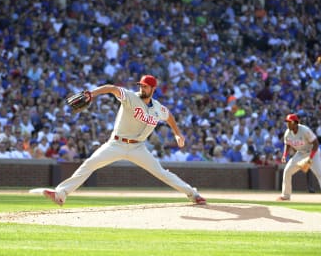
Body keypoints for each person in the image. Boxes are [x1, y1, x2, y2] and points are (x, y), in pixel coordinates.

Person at [40, 75, 206, 206]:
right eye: (140, 85)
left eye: (145, 86)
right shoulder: (130, 97)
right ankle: (61, 193)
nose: (142, 88)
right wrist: (92, 93)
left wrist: (177, 134)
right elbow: (112, 89)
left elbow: (169, 116)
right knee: (89, 164)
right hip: (116, 144)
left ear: (153, 89)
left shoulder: (158, 108)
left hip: (138, 148)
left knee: (162, 173)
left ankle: (193, 194)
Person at [277, 114, 321, 203]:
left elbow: (316, 144)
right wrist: (285, 155)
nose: (287, 124)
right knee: (287, 171)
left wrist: (310, 158)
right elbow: (287, 144)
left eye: (289, 122)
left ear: (295, 123)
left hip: (312, 152)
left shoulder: (304, 130)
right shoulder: (287, 132)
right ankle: (286, 195)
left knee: (319, 173)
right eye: (287, 122)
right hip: (300, 153)